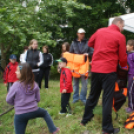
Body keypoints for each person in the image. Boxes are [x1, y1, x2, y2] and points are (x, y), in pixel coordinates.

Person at [81, 17, 127, 134]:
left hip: (96, 69)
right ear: (119, 23)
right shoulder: (120, 36)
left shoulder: (100, 31)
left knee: (92, 95)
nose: (122, 28)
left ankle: (85, 120)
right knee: (107, 99)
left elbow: (90, 43)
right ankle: (106, 129)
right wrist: (124, 66)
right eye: (123, 26)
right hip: (109, 70)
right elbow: (122, 57)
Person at [6, 63, 59, 134]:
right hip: (33, 111)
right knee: (44, 113)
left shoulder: (15, 85)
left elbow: (8, 99)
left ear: (23, 73)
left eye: (17, 71)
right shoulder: (34, 84)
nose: (15, 72)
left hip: (20, 114)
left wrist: (15, 103)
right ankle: (53, 129)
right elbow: (38, 99)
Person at [69, 28, 93, 105]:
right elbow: (70, 53)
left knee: (84, 84)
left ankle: (83, 98)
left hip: (84, 66)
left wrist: (88, 54)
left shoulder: (88, 43)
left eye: (83, 33)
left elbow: (93, 51)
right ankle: (75, 98)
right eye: (81, 33)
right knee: (75, 83)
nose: (82, 35)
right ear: (77, 34)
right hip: (75, 66)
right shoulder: (73, 43)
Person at [126, 40, 134, 113]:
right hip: (129, 75)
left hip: (132, 76)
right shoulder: (128, 54)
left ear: (132, 47)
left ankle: (131, 107)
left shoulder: (133, 55)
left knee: (130, 91)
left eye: (127, 45)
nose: (126, 46)